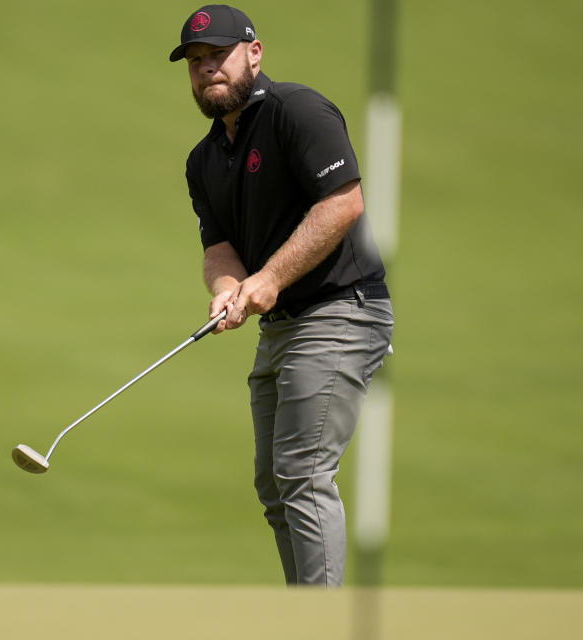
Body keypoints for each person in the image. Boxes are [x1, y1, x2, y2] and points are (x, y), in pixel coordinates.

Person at [169, 5, 395, 587]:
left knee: (303, 470)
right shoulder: (203, 160)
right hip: (284, 328)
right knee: (275, 486)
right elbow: (219, 247)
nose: (206, 70)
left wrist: (266, 280)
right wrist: (226, 288)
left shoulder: (299, 110)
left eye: (217, 55)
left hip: (342, 310)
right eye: (195, 62)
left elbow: (343, 204)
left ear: (254, 52)